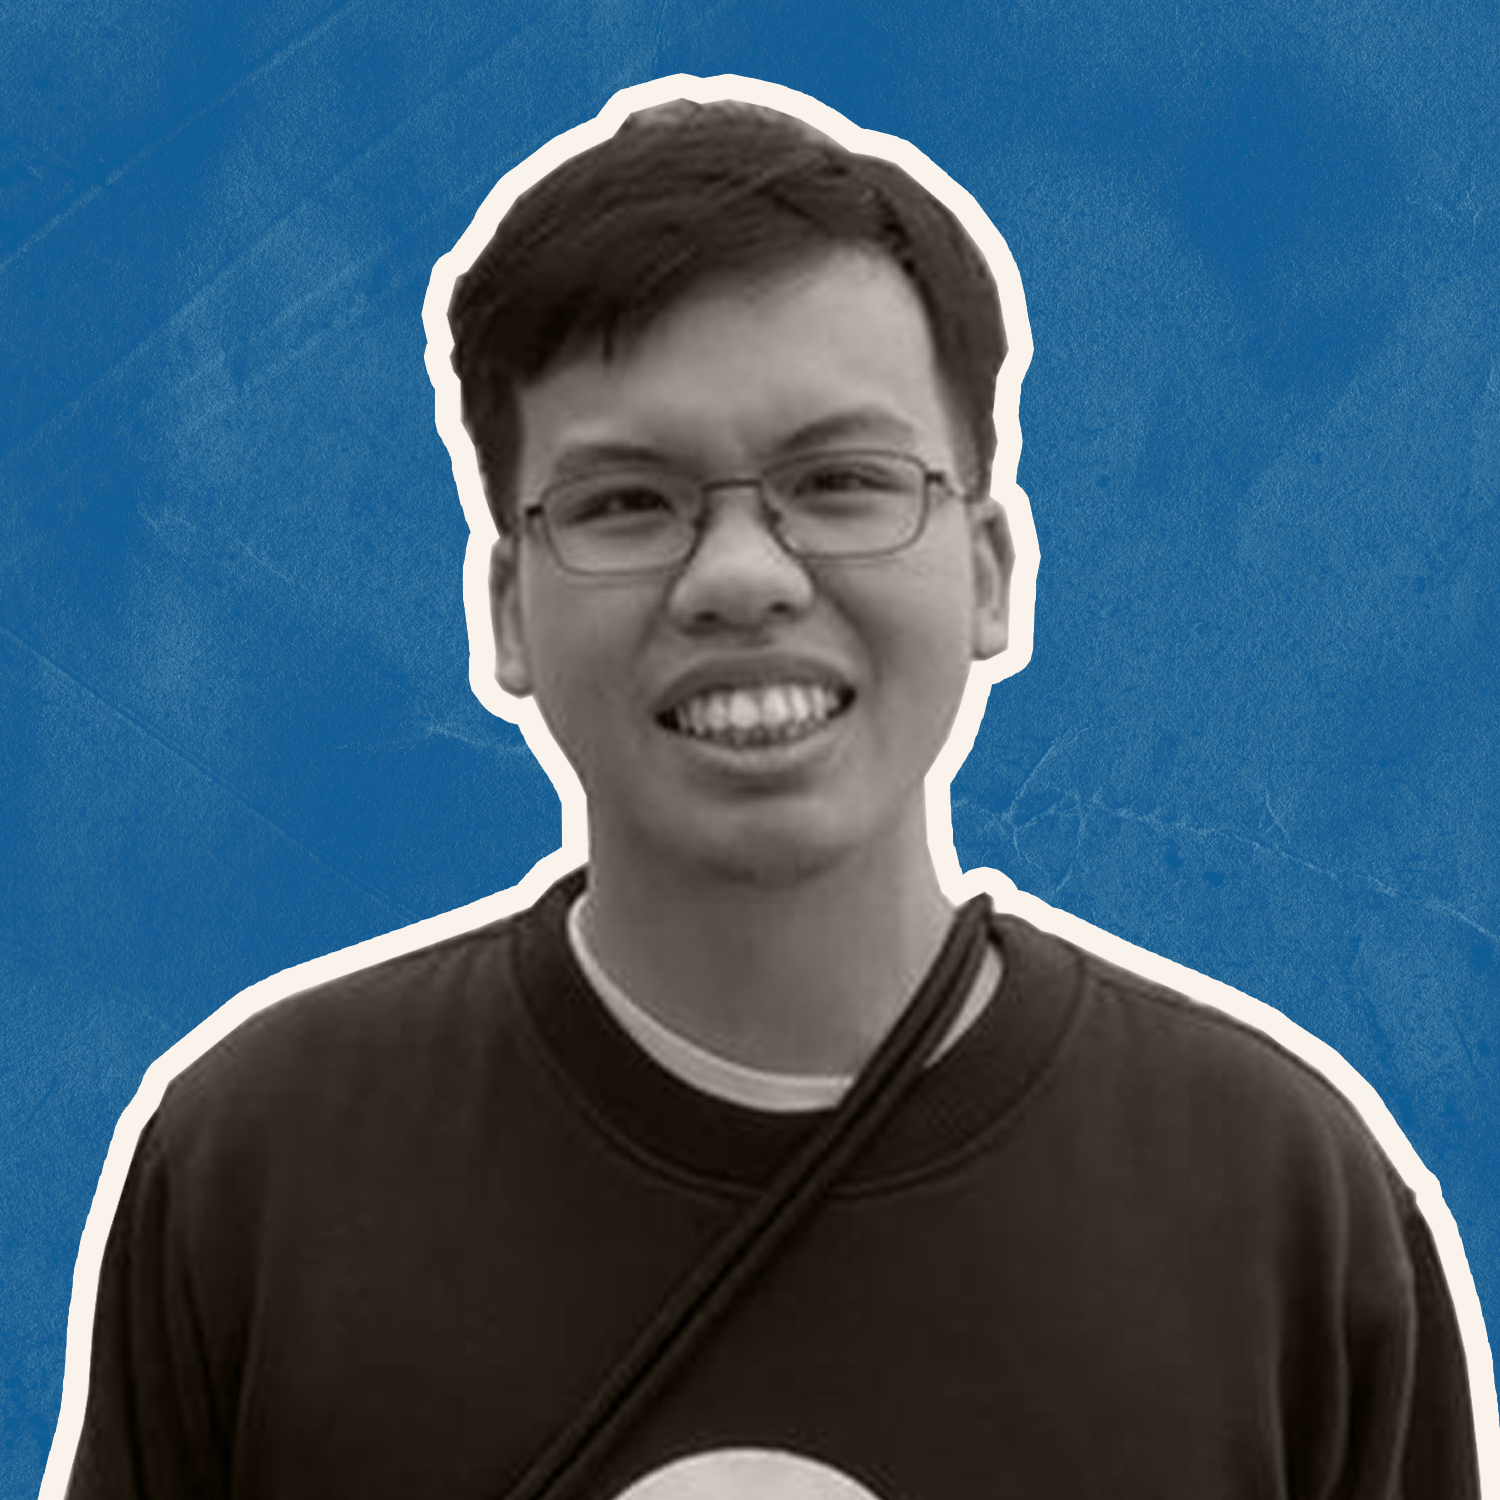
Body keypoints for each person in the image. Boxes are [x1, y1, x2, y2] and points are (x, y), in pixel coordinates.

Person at [63, 92, 1481, 1500]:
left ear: (991, 569)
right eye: (627, 502)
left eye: (842, 481)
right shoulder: (258, 1172)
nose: (741, 576)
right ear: (504, 609)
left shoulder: (1283, 1204)